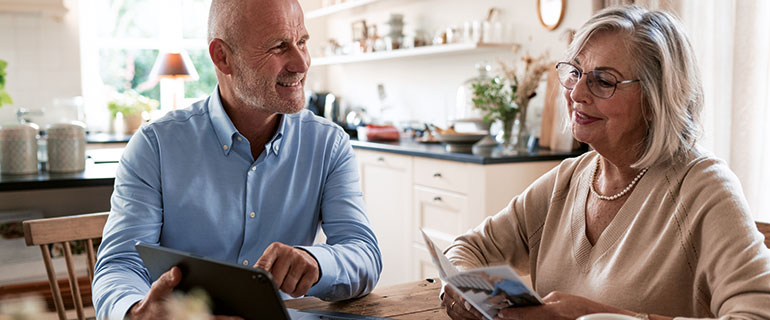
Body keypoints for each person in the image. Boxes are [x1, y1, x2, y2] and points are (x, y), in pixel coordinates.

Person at [440, 6, 770, 320]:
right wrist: (461, 291)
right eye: (575, 72)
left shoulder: (704, 187)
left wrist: (592, 316)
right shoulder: (569, 178)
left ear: (657, 99)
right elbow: (468, 248)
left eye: (603, 80)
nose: (576, 93)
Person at [91, 0, 382, 318]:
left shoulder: (329, 144)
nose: (301, 63)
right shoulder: (154, 146)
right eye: (278, 46)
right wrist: (136, 312)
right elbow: (120, 265)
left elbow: (364, 254)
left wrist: (316, 262)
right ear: (222, 57)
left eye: (302, 42)